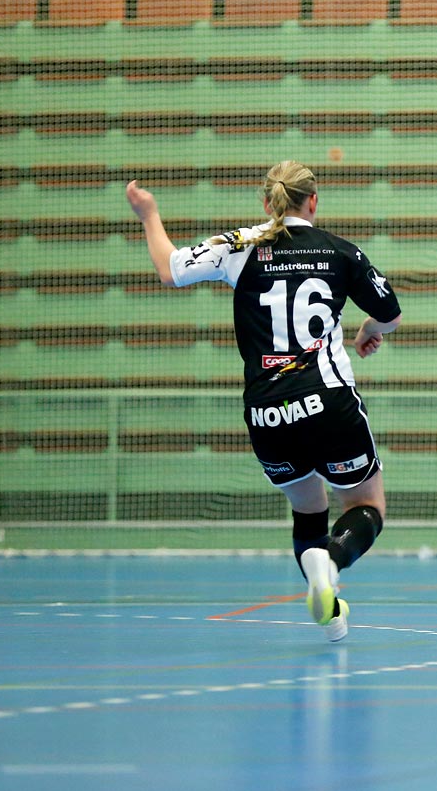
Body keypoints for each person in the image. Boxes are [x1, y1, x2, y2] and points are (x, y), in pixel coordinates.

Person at [125, 161, 402, 643]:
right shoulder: (341, 252)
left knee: (308, 512)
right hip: (329, 398)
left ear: (266, 202)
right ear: (313, 201)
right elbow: (390, 314)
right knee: (366, 504)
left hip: (268, 411)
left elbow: (168, 269)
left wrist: (148, 213)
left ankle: (330, 612)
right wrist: (366, 332)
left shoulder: (241, 245)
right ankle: (332, 562)